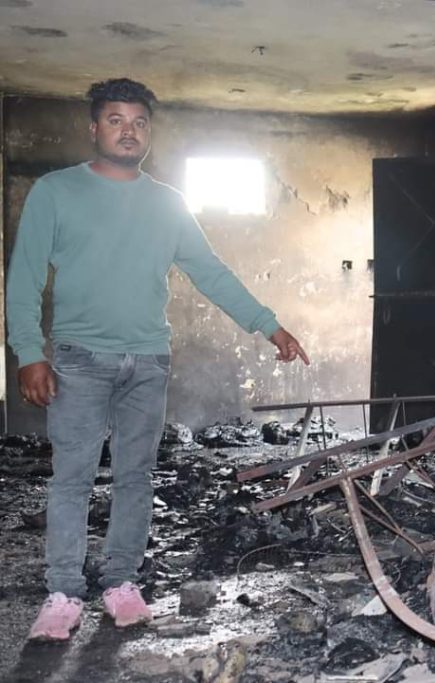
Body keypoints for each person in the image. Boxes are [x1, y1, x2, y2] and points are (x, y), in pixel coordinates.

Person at [6, 78, 310, 641]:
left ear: (148, 132)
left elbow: (210, 271)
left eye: (139, 122)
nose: (129, 131)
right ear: (94, 128)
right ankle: (63, 593)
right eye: (116, 120)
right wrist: (29, 352)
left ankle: (121, 582)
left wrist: (268, 324)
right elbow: (23, 277)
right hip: (78, 359)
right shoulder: (56, 191)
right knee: (71, 479)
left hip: (148, 361)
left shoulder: (168, 202)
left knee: (135, 477)